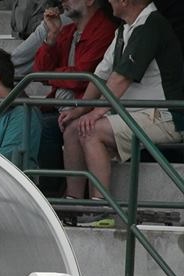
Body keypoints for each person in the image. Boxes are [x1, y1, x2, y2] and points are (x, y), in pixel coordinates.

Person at [60, 0, 184, 225]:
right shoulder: (124, 29)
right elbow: (100, 75)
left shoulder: (152, 25)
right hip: (132, 114)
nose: (108, 1)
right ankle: (74, 204)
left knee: (91, 131)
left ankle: (101, 208)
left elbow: (121, 79)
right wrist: (79, 111)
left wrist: (96, 113)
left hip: (164, 117)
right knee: (71, 130)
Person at [32, 0, 115, 195]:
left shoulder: (105, 30)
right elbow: (40, 72)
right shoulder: (67, 31)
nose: (63, 1)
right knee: (31, 119)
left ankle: (52, 196)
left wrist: (53, 75)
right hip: (62, 105)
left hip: (87, 106)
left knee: (44, 128)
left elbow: (80, 78)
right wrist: (51, 36)